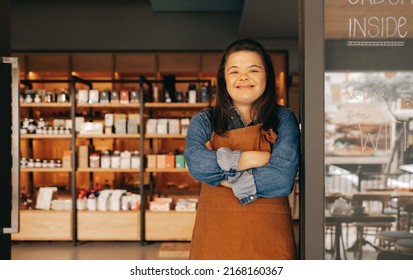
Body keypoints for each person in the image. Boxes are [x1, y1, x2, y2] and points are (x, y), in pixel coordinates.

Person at [184, 39, 300, 260]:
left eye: (253, 70)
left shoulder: (283, 119)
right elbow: (197, 164)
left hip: (270, 243)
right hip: (215, 243)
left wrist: (225, 179)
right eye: (234, 71)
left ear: (267, 76)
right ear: (224, 79)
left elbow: (282, 178)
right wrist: (256, 158)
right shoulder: (204, 120)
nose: (243, 77)